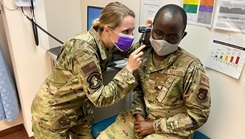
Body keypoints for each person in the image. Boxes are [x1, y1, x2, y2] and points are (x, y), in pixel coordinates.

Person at [31, 2, 146, 139]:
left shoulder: (109, 41)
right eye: (126, 31)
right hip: (53, 113)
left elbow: (134, 50)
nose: (131, 36)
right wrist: (128, 70)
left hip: (79, 110)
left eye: (132, 31)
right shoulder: (83, 49)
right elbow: (100, 98)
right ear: (107, 29)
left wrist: (150, 33)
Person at [97, 4, 211, 139]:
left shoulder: (192, 67)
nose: (164, 41)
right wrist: (139, 116)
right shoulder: (144, 55)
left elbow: (198, 116)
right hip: (142, 119)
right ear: (151, 30)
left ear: (182, 36)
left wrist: (154, 126)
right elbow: (139, 91)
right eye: (159, 33)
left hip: (172, 129)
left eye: (172, 37)